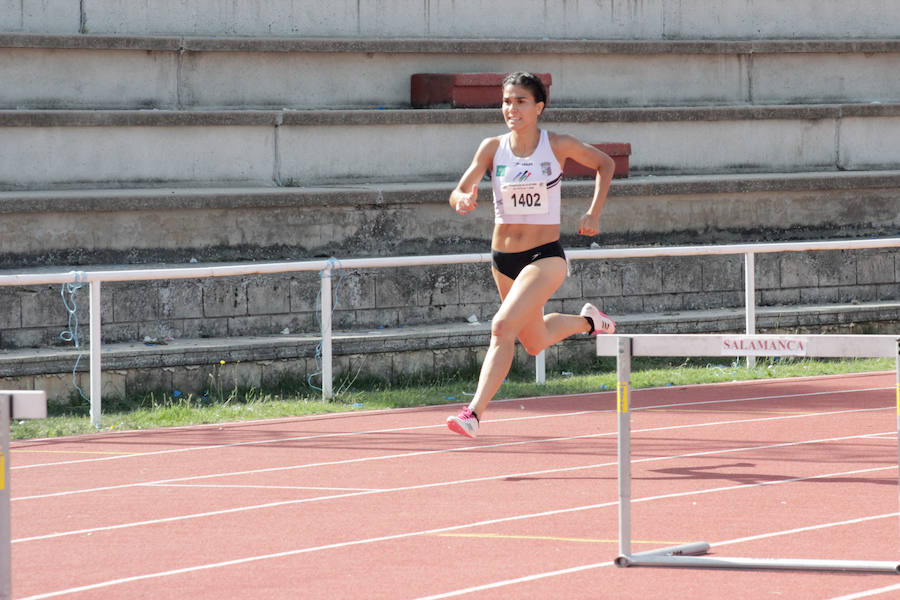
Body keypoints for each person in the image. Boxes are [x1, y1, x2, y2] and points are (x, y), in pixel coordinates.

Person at [446, 71, 617, 439]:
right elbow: (460, 188)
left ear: (539, 107)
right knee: (534, 341)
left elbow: (606, 163)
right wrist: (462, 198)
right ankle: (590, 322)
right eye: (506, 101)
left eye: (521, 101)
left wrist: (594, 212)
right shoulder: (492, 147)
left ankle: (473, 413)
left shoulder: (556, 145)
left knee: (501, 327)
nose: (512, 108)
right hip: (503, 259)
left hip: (544, 257)